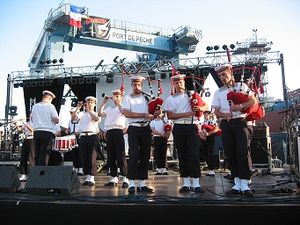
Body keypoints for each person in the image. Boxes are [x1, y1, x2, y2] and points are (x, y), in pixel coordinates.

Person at [211, 63, 257, 197]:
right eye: (219, 76)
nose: (222, 77)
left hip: (241, 122)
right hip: (227, 123)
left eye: (224, 74)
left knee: (242, 152)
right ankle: (237, 183)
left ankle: (245, 183)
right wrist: (224, 115)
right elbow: (216, 111)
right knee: (231, 153)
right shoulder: (218, 92)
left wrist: (240, 106)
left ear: (230, 73)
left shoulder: (241, 86)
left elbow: (253, 101)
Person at [165, 74, 209, 193]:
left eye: (180, 82)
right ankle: (185, 182)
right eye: (176, 82)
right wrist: (188, 114)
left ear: (184, 82)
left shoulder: (192, 95)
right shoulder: (171, 99)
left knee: (193, 154)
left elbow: (206, 105)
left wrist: (200, 109)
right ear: (173, 84)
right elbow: (170, 115)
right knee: (182, 154)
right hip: (178, 126)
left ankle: (195, 182)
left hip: (192, 126)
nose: (178, 85)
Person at [122, 75, 154, 194]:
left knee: (145, 155)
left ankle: (141, 184)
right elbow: (126, 113)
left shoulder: (146, 98)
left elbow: (152, 111)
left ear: (142, 86)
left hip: (146, 128)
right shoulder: (127, 98)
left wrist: (155, 112)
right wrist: (143, 115)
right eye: (134, 85)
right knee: (134, 155)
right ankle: (131, 183)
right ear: (131, 86)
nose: (137, 87)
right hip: (134, 128)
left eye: (139, 85)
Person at [98, 89, 129, 188]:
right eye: (114, 95)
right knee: (111, 156)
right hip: (109, 132)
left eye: (118, 96)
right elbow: (99, 114)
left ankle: (125, 178)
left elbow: (123, 112)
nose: (115, 97)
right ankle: (113, 178)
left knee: (121, 156)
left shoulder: (123, 107)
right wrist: (104, 102)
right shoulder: (110, 109)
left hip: (118, 131)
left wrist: (119, 103)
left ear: (121, 97)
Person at [72, 96, 100, 186]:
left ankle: (92, 178)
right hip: (83, 136)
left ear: (94, 104)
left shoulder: (95, 113)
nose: (89, 104)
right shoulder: (81, 114)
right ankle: (87, 177)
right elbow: (73, 119)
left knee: (92, 157)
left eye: (91, 102)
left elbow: (95, 119)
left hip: (92, 136)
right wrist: (78, 108)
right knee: (84, 157)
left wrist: (88, 110)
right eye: (88, 102)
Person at [31, 90, 59, 166]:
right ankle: (42, 172)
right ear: (50, 99)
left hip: (36, 132)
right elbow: (56, 120)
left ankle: (36, 171)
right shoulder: (50, 106)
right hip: (47, 131)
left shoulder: (34, 106)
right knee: (45, 154)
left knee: (37, 153)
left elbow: (32, 119)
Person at [150, 107, 171, 175]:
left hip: (164, 138)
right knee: (157, 153)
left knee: (163, 153)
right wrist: (161, 134)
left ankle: (164, 169)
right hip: (157, 138)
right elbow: (153, 130)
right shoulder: (153, 122)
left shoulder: (164, 121)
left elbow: (169, 128)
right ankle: (159, 169)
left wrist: (166, 134)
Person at [67, 109, 84, 176]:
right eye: (71, 113)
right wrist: (67, 130)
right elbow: (69, 128)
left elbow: (82, 129)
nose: (72, 114)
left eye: (74, 113)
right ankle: (75, 167)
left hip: (79, 137)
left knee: (80, 153)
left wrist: (78, 132)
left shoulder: (81, 120)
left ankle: (81, 168)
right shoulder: (70, 121)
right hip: (72, 137)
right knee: (73, 153)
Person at [19, 113, 35, 181]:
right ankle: (23, 174)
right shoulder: (27, 122)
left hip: (32, 139)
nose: (31, 115)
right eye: (30, 114)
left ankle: (32, 173)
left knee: (31, 157)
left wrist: (24, 124)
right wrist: (16, 125)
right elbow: (20, 130)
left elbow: (32, 130)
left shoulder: (36, 123)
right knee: (23, 157)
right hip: (25, 139)